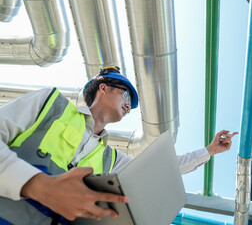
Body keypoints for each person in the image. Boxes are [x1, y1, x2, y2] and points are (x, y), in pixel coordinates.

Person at [0, 66, 238, 224]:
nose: (128, 106)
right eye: (126, 96)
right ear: (103, 87)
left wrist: (208, 151)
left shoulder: (110, 159)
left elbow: (161, 168)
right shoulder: (50, 105)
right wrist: (38, 185)